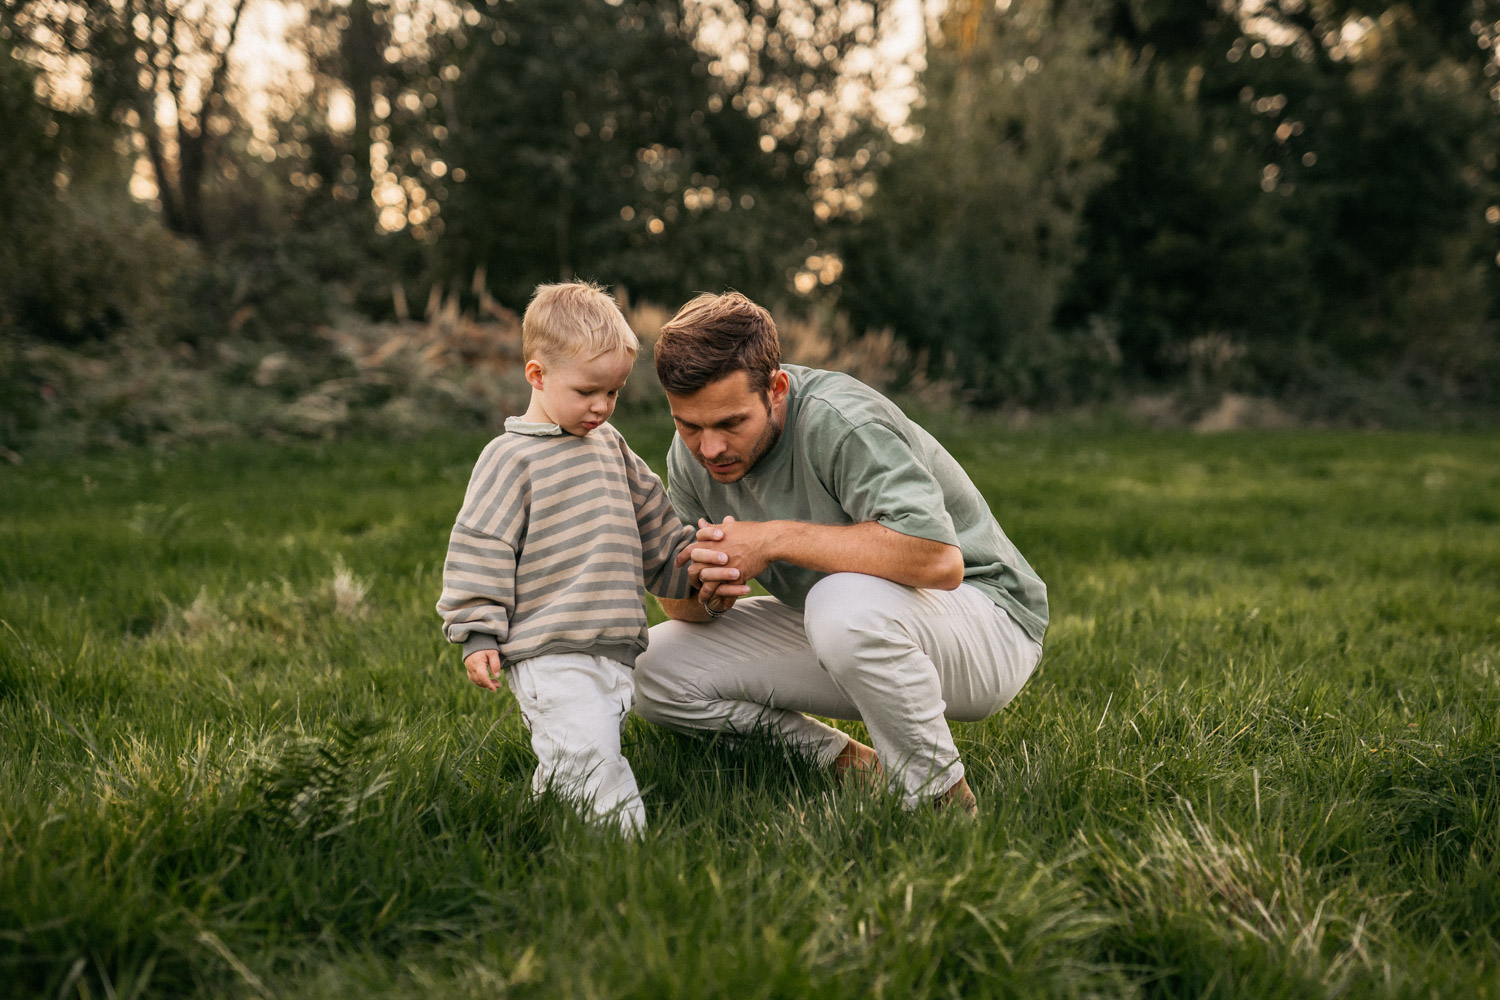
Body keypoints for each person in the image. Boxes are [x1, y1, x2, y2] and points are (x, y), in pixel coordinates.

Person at [634, 292, 1048, 813]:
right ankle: (859, 771)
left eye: (731, 423)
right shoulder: (691, 458)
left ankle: (941, 802)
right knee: (652, 668)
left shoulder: (841, 421)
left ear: (777, 389)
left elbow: (939, 560)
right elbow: (682, 607)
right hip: (853, 625)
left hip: (988, 622)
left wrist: (770, 539)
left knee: (841, 604)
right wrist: (710, 594)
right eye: (688, 425)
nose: (709, 448)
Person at [436, 280, 698, 835]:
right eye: (587, 392)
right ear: (538, 375)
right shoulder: (511, 459)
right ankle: (623, 866)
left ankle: (530, 831)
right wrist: (478, 633)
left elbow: (655, 521)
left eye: (614, 393)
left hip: (612, 647)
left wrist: (691, 566)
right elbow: (482, 546)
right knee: (595, 767)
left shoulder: (611, 445)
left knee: (573, 760)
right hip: (550, 650)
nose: (602, 407)